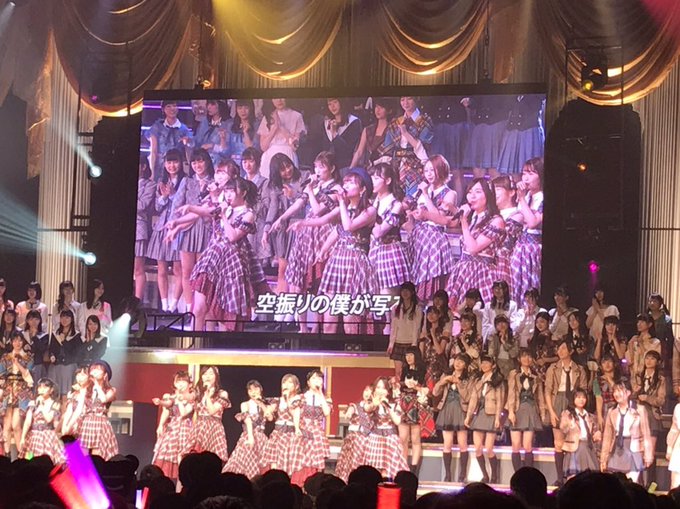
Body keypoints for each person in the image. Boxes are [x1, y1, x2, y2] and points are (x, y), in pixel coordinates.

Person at [189, 177, 263, 331]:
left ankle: (221, 343)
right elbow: (205, 211)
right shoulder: (224, 208)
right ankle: (194, 340)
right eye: (226, 191)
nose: (228, 195)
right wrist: (189, 208)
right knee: (199, 308)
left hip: (232, 264)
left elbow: (233, 236)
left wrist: (223, 215)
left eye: (232, 191)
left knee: (224, 313)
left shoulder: (248, 214)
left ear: (243, 193)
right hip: (212, 259)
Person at [280, 151, 342, 332]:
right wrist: (281, 218)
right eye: (316, 167)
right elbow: (299, 203)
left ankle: (316, 328)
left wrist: (310, 191)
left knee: (319, 282)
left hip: (322, 234)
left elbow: (318, 211)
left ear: (332, 168)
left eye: (321, 167)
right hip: (306, 234)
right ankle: (302, 327)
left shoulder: (335, 189)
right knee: (297, 281)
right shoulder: (315, 186)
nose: (317, 171)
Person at [315, 167, 378, 334]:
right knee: (329, 317)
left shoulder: (370, 210)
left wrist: (342, 202)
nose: (346, 186)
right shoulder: (346, 208)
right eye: (345, 182)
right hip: (338, 260)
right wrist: (323, 249)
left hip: (355, 263)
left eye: (351, 182)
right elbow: (338, 230)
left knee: (351, 320)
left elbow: (349, 227)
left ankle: (353, 349)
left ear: (363, 189)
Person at [447, 178, 505, 308]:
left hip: (481, 272)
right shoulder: (473, 217)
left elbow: (474, 248)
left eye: (478, 192)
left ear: (488, 195)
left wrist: (463, 221)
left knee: (478, 311)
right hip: (463, 270)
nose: (472, 196)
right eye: (470, 192)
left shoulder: (496, 221)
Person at [170, 148, 215, 314]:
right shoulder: (187, 181)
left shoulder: (214, 182)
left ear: (207, 162)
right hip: (187, 230)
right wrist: (173, 225)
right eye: (194, 162)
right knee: (187, 271)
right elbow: (176, 205)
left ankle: (202, 308)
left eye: (200, 161)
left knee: (203, 273)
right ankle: (190, 309)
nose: (197, 165)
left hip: (206, 229)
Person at [407, 155, 457, 301]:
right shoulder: (423, 191)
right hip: (418, 237)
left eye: (432, 170)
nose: (428, 174)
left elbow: (439, 217)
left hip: (434, 239)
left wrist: (425, 195)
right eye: (426, 170)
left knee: (430, 281)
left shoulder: (449, 193)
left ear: (441, 170)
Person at [261, 153, 308, 296]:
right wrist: (266, 230)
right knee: (282, 269)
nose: (288, 170)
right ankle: (282, 303)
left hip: (301, 226)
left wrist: (293, 195)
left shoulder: (304, 177)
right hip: (284, 230)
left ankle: (297, 304)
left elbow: (306, 202)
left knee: (299, 271)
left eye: (288, 166)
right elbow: (273, 208)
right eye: (282, 169)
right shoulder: (275, 186)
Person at [146, 148, 185, 313]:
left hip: (178, 229)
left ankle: (174, 304)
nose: (172, 165)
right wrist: (164, 196)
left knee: (178, 269)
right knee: (161, 269)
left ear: (181, 163)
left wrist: (173, 194)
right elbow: (157, 207)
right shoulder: (160, 182)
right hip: (162, 228)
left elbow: (184, 205)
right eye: (169, 162)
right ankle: (164, 305)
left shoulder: (185, 181)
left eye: (175, 162)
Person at [544, 340, 588, 485]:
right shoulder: (553, 368)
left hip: (573, 402)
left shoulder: (579, 369)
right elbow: (548, 390)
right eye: (559, 348)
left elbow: (583, 389)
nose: (560, 351)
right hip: (558, 400)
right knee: (558, 442)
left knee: (572, 441)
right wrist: (551, 411)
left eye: (564, 348)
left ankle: (572, 475)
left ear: (571, 351)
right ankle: (559, 478)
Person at [368, 163, 410, 298]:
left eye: (376, 178)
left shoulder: (396, 204)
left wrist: (370, 214)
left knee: (387, 298)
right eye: (371, 178)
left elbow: (379, 232)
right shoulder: (372, 202)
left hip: (389, 253)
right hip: (373, 250)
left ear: (388, 180)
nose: (372, 182)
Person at [601, 379, 654, 483]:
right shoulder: (612, 412)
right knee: (616, 483)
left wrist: (648, 455)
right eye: (615, 391)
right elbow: (607, 436)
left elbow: (646, 433)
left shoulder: (639, 410)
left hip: (633, 448)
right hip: (617, 449)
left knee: (631, 482)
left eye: (620, 390)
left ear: (628, 392)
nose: (616, 394)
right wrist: (604, 458)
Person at [382, 96, 434, 198]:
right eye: (402, 100)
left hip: (417, 164)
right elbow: (388, 149)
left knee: (414, 197)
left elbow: (423, 147)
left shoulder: (425, 120)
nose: (405, 103)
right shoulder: (395, 122)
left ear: (416, 99)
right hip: (397, 166)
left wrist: (405, 133)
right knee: (397, 197)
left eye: (409, 99)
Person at [433, 353, 474, 482]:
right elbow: (435, 392)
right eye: (457, 360)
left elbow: (467, 397)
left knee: (463, 443)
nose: (458, 363)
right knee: (447, 443)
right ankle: (448, 474)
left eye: (461, 362)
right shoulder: (446, 374)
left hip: (461, 410)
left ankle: (462, 474)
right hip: (447, 410)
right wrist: (443, 381)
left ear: (465, 365)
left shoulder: (469, 378)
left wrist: (459, 383)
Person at [465, 355, 505, 484]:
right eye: (482, 363)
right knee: (477, 448)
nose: (484, 365)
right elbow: (473, 399)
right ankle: (485, 475)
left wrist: (498, 417)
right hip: (479, 414)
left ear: (493, 365)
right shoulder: (478, 380)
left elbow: (500, 401)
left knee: (488, 447)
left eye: (487, 363)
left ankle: (494, 475)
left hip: (491, 414)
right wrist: (468, 416)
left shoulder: (497, 381)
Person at [510, 158, 544, 303]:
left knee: (530, 286)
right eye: (524, 173)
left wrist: (522, 199)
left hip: (533, 249)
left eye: (531, 173)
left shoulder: (543, 198)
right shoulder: (526, 196)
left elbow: (532, 222)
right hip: (520, 247)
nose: (526, 178)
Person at [223, 380, 272, 479]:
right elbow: (247, 420)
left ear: (260, 389)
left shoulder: (265, 405)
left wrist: (261, 403)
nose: (253, 392)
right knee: (245, 461)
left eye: (255, 389)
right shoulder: (245, 404)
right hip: (249, 435)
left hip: (261, 438)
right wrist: (251, 437)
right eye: (250, 390)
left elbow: (270, 418)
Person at [152, 370, 196, 479]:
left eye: (183, 381)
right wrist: (160, 424)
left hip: (185, 429)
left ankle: (181, 482)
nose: (180, 384)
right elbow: (167, 407)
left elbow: (184, 413)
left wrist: (179, 400)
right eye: (178, 381)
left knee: (181, 456)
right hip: (172, 428)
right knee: (164, 453)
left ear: (189, 384)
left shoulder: (191, 398)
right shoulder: (171, 397)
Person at [363, 376, 409, 479]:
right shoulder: (371, 403)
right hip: (375, 439)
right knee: (374, 472)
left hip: (390, 440)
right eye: (378, 387)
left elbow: (397, 421)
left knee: (388, 472)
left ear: (388, 391)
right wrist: (374, 404)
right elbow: (367, 409)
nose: (380, 390)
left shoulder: (394, 404)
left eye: (383, 388)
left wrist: (387, 406)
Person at [507, 349, 545, 471]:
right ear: (519, 359)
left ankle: (528, 475)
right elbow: (511, 393)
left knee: (528, 445)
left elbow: (540, 396)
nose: (526, 359)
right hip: (518, 408)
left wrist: (542, 413)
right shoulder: (514, 374)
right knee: (515, 445)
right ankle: (517, 475)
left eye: (529, 356)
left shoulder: (536, 376)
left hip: (531, 409)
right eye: (523, 356)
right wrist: (511, 411)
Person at [72, 361, 118, 460]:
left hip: (100, 424)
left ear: (105, 375)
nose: (95, 371)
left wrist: (96, 384)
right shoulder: (87, 390)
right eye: (93, 369)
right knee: (82, 454)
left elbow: (103, 399)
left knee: (97, 456)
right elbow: (80, 408)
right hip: (87, 423)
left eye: (98, 369)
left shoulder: (111, 390)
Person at [632, 350, 665, 486]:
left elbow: (661, 400)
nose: (649, 361)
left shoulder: (661, 379)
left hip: (652, 415)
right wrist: (636, 392)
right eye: (647, 358)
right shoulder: (638, 376)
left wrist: (647, 398)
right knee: (638, 450)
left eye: (652, 359)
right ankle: (638, 483)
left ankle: (651, 484)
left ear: (657, 362)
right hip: (638, 415)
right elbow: (631, 394)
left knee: (650, 451)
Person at [261, 374, 304, 477]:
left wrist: (288, 400)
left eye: (290, 382)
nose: (286, 385)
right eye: (284, 382)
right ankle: (273, 480)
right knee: (274, 461)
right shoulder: (278, 400)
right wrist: (267, 412)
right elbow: (270, 413)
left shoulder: (298, 400)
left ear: (296, 386)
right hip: (278, 434)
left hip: (290, 435)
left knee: (287, 463)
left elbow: (296, 415)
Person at [397, 347, 431, 474]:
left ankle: (414, 469)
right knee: (403, 438)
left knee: (415, 439)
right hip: (404, 404)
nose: (408, 358)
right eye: (407, 355)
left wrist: (417, 387)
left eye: (411, 355)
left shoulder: (424, 371)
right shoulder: (404, 370)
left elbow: (429, 390)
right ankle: (403, 466)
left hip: (416, 404)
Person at [295, 370, 332, 485]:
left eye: (319, 378)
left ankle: (315, 484)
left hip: (317, 431)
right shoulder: (301, 397)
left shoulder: (325, 399)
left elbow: (327, 412)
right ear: (308, 382)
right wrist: (297, 428)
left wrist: (321, 394)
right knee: (303, 459)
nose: (317, 381)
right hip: (304, 430)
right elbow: (297, 413)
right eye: (314, 378)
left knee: (317, 461)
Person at [0, 331, 33, 457]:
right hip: (8, 391)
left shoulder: (28, 357)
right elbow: (1, 374)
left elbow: (29, 375)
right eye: (14, 340)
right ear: (11, 342)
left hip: (22, 392)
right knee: (7, 426)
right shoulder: (5, 357)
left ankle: (20, 456)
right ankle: (6, 457)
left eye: (20, 340)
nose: (17, 343)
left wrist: (17, 363)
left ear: (23, 342)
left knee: (16, 425)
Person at [258, 98, 306, 179]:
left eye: (282, 97)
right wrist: (275, 127)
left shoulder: (296, 116)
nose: (279, 100)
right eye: (275, 98)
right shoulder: (267, 117)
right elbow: (263, 147)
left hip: (288, 154)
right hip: (269, 157)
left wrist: (281, 126)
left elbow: (295, 146)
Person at [19, 377, 64, 465]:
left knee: (46, 460)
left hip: (47, 436)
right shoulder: (33, 403)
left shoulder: (55, 404)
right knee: (30, 459)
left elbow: (48, 419)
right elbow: (28, 422)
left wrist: (42, 405)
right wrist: (23, 437)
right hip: (33, 436)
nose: (42, 389)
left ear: (51, 390)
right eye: (40, 387)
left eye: (45, 387)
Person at [497, 95, 544, 175]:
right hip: (513, 130)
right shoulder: (512, 95)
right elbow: (506, 106)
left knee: (531, 169)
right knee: (513, 169)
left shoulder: (536, 95)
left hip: (529, 131)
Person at [335, 385, 373, 482]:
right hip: (355, 438)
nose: (367, 394)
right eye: (366, 390)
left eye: (370, 392)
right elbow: (350, 410)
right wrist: (349, 412)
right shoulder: (356, 406)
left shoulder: (374, 408)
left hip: (368, 439)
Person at [193, 366, 231, 464]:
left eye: (211, 374)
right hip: (199, 427)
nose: (207, 376)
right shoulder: (198, 393)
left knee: (213, 459)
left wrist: (207, 395)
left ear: (216, 376)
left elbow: (212, 411)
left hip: (214, 427)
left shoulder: (222, 394)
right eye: (205, 374)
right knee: (195, 457)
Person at [241, 147, 271, 270]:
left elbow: (266, 207)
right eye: (244, 161)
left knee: (257, 267)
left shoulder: (265, 183)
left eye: (251, 161)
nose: (247, 165)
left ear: (257, 162)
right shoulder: (239, 182)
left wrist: (249, 204)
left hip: (258, 227)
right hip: (240, 226)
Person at [559, 389, 600, 479]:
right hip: (574, 447)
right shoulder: (568, 414)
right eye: (578, 397)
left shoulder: (590, 416)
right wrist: (570, 424)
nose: (581, 400)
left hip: (588, 447)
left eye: (583, 397)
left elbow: (594, 432)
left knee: (590, 477)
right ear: (573, 399)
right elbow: (563, 428)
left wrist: (597, 434)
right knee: (574, 477)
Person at [147, 100, 193, 178]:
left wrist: (187, 143)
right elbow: (153, 151)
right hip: (160, 166)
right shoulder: (157, 127)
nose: (172, 109)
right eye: (168, 106)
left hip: (177, 166)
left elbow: (188, 151)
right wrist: (152, 172)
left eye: (174, 106)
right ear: (163, 109)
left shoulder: (183, 128)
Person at [388, 282, 423, 380]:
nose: (405, 293)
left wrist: (414, 345)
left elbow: (416, 328)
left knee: (410, 371)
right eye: (403, 290)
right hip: (398, 342)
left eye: (407, 290)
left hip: (410, 343)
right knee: (398, 372)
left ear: (412, 292)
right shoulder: (396, 308)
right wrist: (391, 344)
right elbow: (393, 327)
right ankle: (398, 388)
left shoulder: (417, 309)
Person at [318, 98, 362, 169]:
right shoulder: (326, 123)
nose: (332, 106)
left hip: (347, 166)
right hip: (329, 167)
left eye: (335, 102)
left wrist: (334, 133)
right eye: (329, 104)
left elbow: (348, 150)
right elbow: (325, 148)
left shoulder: (354, 122)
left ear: (341, 102)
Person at [47, 310, 80, 404]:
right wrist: (51, 355)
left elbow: (76, 352)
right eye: (62, 317)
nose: (64, 320)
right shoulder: (55, 333)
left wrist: (64, 341)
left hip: (69, 366)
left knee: (66, 393)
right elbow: (51, 348)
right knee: (54, 393)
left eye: (67, 317)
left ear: (72, 319)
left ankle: (65, 411)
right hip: (56, 366)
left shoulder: (76, 335)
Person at [135, 156, 156, 300]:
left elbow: (142, 205)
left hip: (139, 228)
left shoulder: (150, 185)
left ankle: (137, 301)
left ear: (143, 167)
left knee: (138, 268)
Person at [350, 97, 393, 168]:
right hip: (371, 167)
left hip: (388, 166)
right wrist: (351, 169)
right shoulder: (368, 130)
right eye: (376, 106)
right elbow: (359, 152)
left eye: (381, 107)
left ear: (389, 110)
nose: (378, 110)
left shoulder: (393, 128)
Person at [419, 305, 449, 390]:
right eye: (429, 313)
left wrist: (433, 335)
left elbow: (440, 351)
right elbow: (421, 353)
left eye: (434, 313)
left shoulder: (444, 332)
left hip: (438, 364)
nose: (431, 315)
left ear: (439, 315)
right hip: (427, 364)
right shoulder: (424, 334)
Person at [194, 100, 230, 166]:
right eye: (208, 104)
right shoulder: (204, 122)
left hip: (220, 162)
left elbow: (227, 150)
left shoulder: (228, 124)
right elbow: (197, 141)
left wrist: (212, 146)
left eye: (212, 104)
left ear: (220, 105)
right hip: (202, 159)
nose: (209, 107)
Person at [593, 353, 622, 432]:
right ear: (601, 366)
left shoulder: (621, 379)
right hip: (605, 409)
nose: (607, 364)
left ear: (614, 364)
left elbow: (621, 392)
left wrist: (610, 380)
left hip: (619, 408)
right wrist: (599, 416)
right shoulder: (597, 381)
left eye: (609, 361)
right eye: (604, 362)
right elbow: (598, 398)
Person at [626, 314, 661, 379]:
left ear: (650, 324)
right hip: (634, 376)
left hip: (649, 376)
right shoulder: (634, 340)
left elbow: (651, 359)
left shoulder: (655, 342)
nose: (639, 324)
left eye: (642, 322)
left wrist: (641, 344)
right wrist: (630, 344)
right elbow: (630, 361)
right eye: (638, 322)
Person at [228, 99, 259, 167]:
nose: (243, 111)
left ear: (251, 108)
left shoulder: (256, 125)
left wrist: (245, 132)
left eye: (246, 108)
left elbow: (253, 150)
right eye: (240, 108)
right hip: (233, 162)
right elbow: (227, 149)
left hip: (248, 162)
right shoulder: (231, 125)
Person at [528, 311, 558, 382]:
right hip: (535, 371)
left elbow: (558, 357)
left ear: (548, 322)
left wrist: (545, 360)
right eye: (537, 322)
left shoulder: (553, 338)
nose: (539, 324)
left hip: (549, 371)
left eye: (542, 322)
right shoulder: (534, 338)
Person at [22, 309, 48, 383]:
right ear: (27, 321)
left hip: (38, 364)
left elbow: (42, 349)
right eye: (31, 319)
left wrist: (34, 337)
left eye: (36, 319)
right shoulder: (22, 334)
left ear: (40, 321)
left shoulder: (44, 335)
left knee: (37, 385)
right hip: (24, 364)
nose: (34, 322)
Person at [61, 366, 89, 436]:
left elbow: (79, 410)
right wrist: (65, 426)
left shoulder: (89, 393)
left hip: (85, 425)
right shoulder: (73, 394)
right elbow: (69, 411)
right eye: (78, 375)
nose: (80, 378)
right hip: (73, 425)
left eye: (83, 375)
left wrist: (69, 426)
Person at [667, 401, 680, 489]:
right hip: (678, 448)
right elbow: (674, 429)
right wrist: (669, 448)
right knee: (675, 484)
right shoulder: (678, 408)